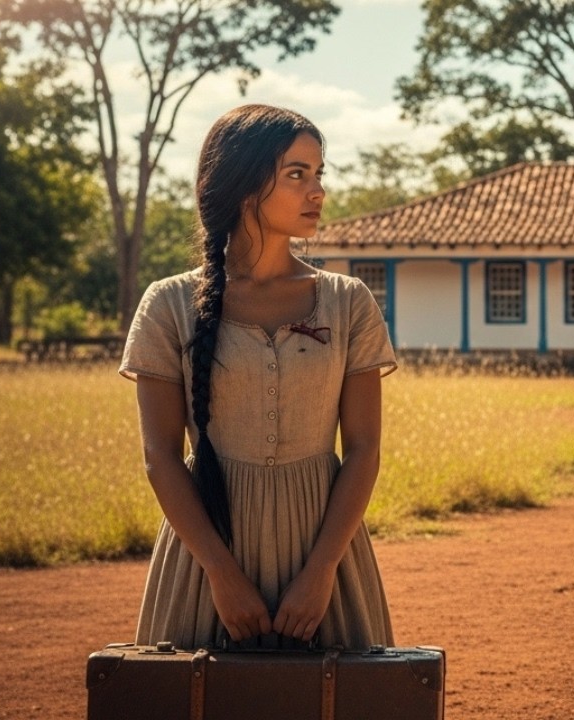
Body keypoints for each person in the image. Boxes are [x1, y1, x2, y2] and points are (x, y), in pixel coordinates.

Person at [119, 104, 396, 650]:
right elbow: (161, 456)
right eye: (297, 174)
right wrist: (220, 574)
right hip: (206, 553)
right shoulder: (168, 304)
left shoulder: (348, 302)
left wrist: (320, 574)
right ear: (242, 183)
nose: (317, 191)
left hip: (325, 550)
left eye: (320, 174)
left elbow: (364, 449)